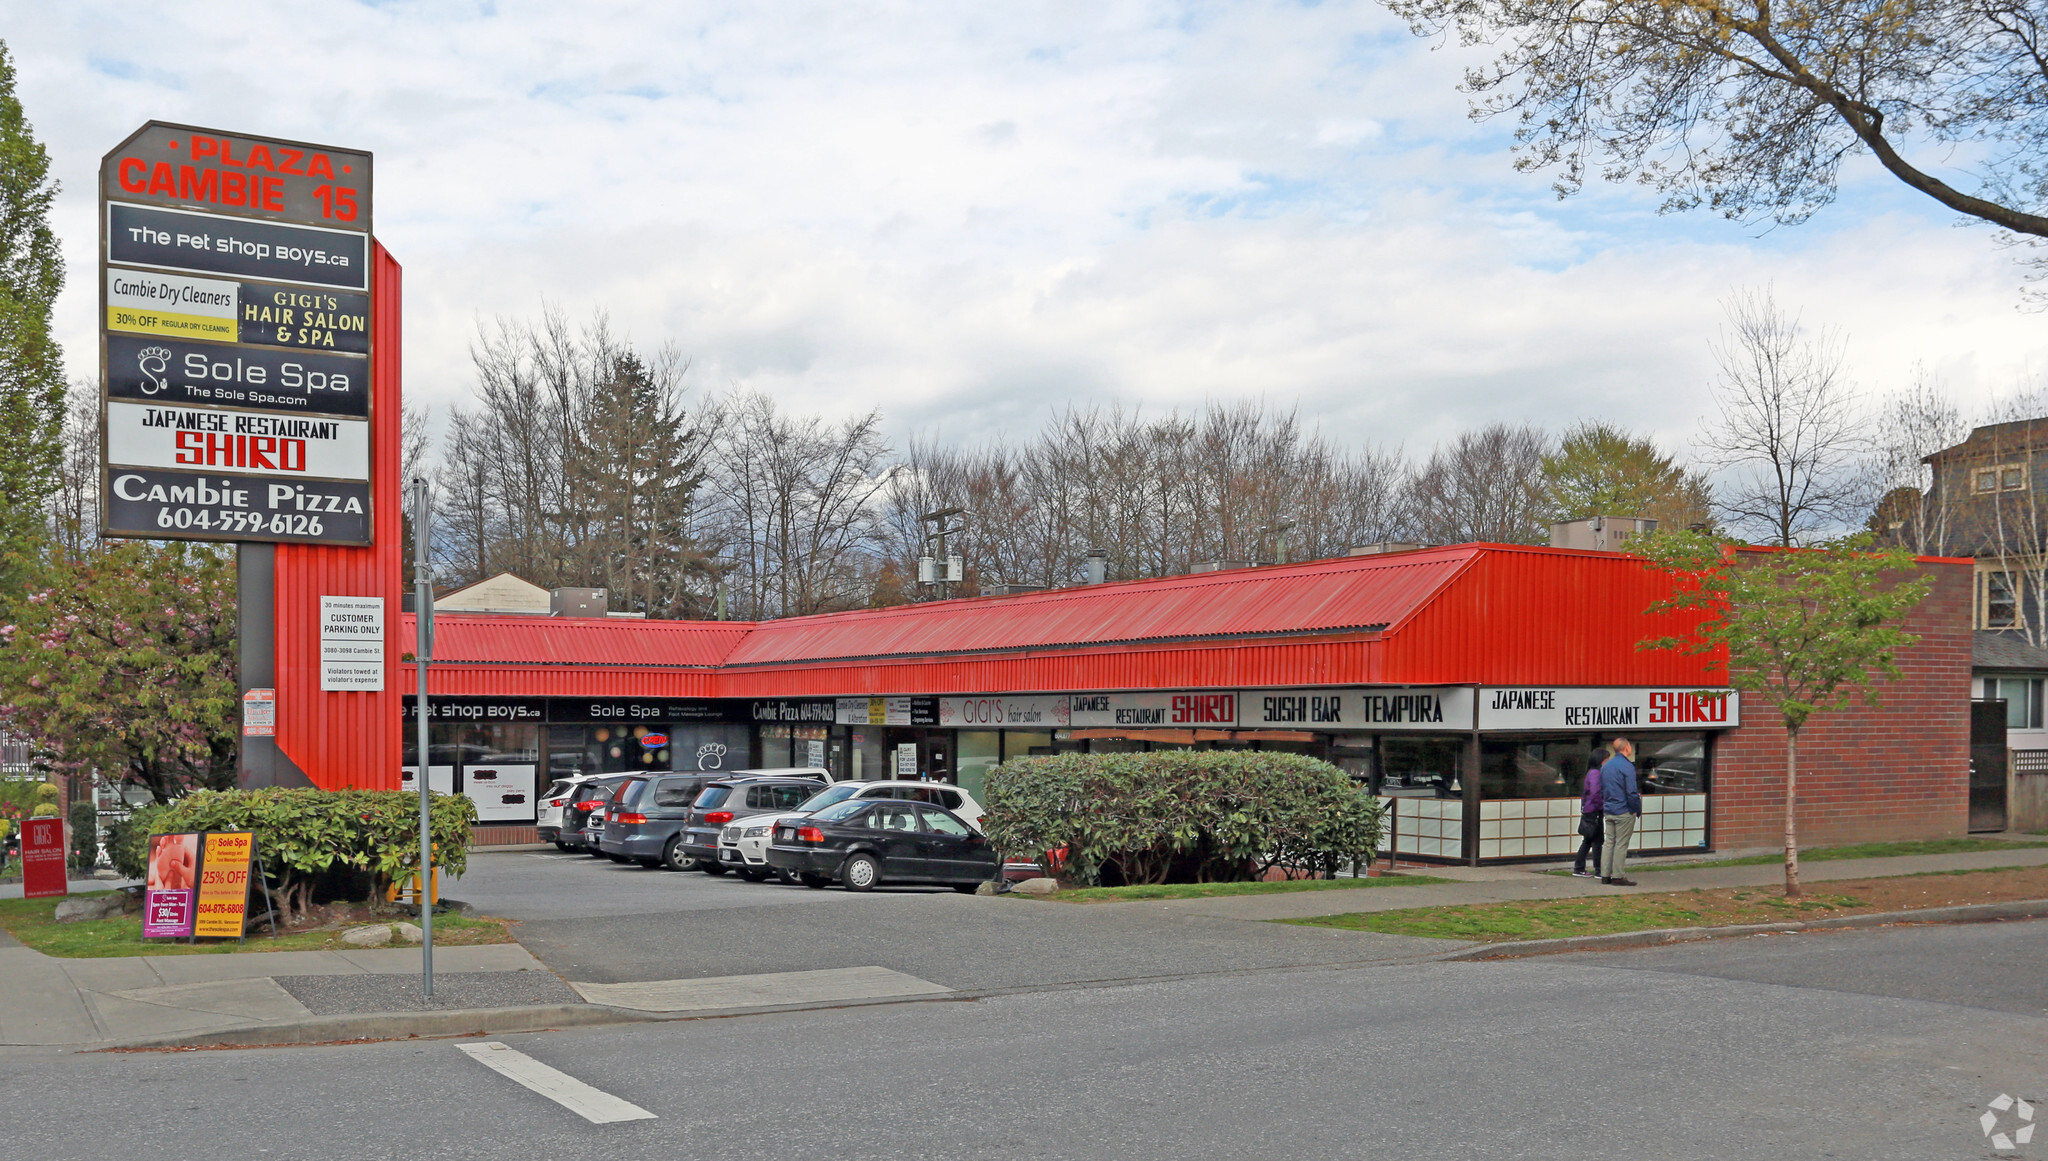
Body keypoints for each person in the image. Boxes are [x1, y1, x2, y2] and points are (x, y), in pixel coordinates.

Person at [1600, 737, 1641, 886]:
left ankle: (1605, 875)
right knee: (1621, 844)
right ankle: (1617, 875)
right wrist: (1635, 809)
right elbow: (1631, 791)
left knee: (1609, 842)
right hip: (1623, 810)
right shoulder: (1627, 766)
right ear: (1627, 748)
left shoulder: (1606, 766)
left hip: (1609, 808)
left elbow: (1603, 788)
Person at [1571, 748, 1608, 878]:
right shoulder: (1596, 773)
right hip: (1594, 811)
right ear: (1601, 760)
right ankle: (1599, 870)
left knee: (1588, 840)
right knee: (1597, 841)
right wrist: (1602, 805)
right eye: (1606, 759)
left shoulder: (1591, 772)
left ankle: (1579, 868)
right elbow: (1595, 793)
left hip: (1590, 810)